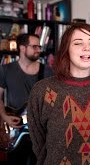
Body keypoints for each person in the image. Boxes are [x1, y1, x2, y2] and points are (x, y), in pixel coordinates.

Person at [27, 23, 90, 164]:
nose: (87, 48)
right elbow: (38, 142)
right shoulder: (42, 90)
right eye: (78, 43)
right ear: (66, 49)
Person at [0, 33, 52, 164]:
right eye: (34, 47)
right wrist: (4, 116)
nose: (39, 50)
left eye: (39, 47)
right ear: (22, 48)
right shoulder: (6, 70)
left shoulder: (47, 71)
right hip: (15, 130)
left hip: (40, 133)